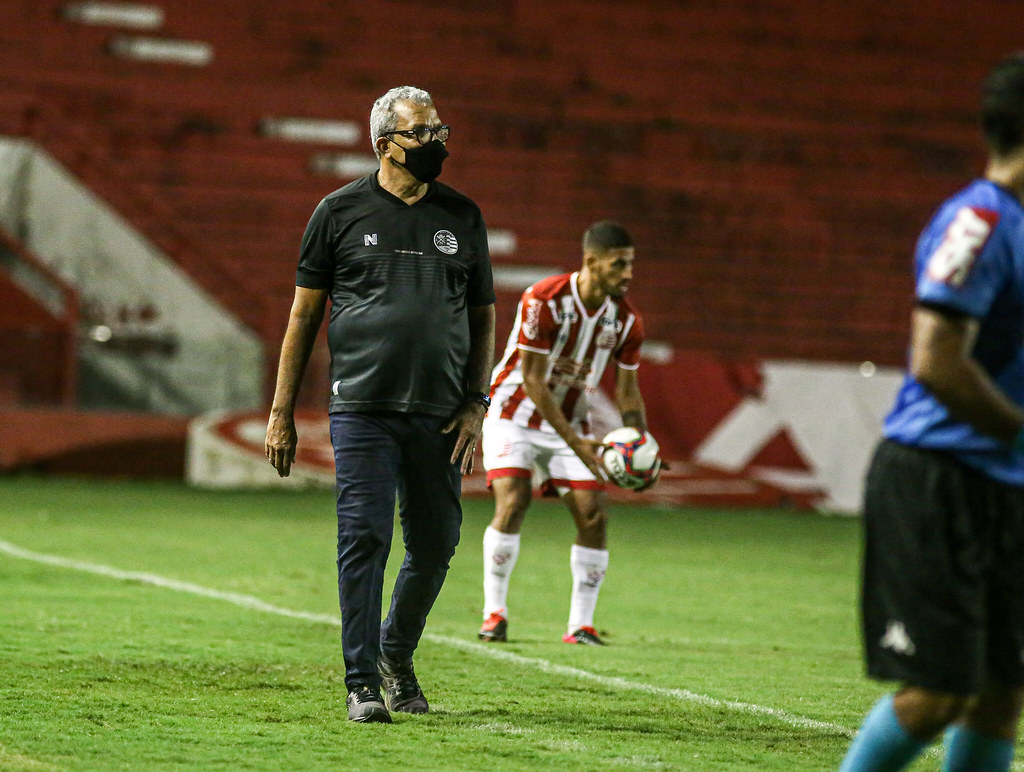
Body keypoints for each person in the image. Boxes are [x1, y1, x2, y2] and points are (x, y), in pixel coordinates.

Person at [264, 86, 496, 724]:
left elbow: (483, 320)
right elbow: (303, 317)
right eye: (422, 133)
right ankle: (362, 680)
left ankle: (396, 652)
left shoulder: (464, 216)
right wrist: (282, 411)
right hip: (362, 407)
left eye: (439, 130)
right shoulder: (337, 213)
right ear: (383, 143)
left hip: (442, 412)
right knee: (364, 536)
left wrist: (477, 401)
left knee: (437, 542)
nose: (437, 143)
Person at [839, 53, 1024, 771]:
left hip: (1006, 487)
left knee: (1002, 690)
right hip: (939, 481)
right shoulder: (979, 222)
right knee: (939, 693)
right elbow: (938, 359)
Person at [478, 220, 654, 646]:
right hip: (513, 413)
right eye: (619, 265)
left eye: (630, 264)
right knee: (515, 500)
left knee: (593, 514)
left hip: (570, 424)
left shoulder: (627, 321)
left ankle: (580, 626)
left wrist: (639, 443)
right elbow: (534, 381)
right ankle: (494, 614)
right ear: (591, 261)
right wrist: (577, 443)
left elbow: (628, 391)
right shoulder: (544, 299)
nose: (628, 274)